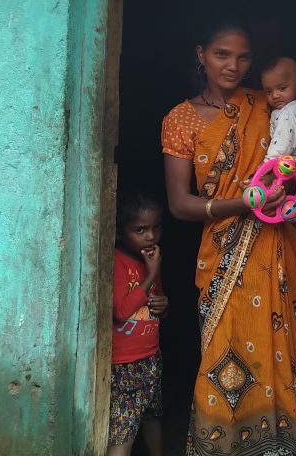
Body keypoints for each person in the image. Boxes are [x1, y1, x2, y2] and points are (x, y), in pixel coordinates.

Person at [161, 21, 296, 456]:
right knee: (225, 354)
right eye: (222, 54)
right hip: (222, 256)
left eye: (243, 56)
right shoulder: (180, 120)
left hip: (279, 250)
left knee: (282, 353)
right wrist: (248, 203)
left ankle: (281, 446)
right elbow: (179, 203)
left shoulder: (270, 103)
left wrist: (289, 185)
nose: (233, 65)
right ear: (201, 54)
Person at [109, 192, 168, 456]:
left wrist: (164, 306)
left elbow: (158, 307)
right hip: (124, 364)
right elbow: (121, 311)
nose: (151, 236)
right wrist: (152, 273)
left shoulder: (150, 261)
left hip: (151, 358)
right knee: (123, 431)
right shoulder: (117, 261)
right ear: (119, 232)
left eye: (156, 227)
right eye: (140, 230)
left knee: (152, 416)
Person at [260, 56, 296, 248]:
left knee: (273, 192)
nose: (275, 95)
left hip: (293, 166)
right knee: (295, 198)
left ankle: (291, 230)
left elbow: (282, 143)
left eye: (282, 88)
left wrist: (265, 168)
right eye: (268, 91)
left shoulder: (290, 112)